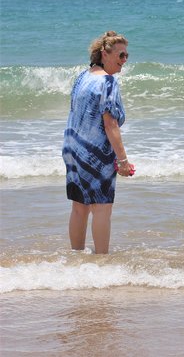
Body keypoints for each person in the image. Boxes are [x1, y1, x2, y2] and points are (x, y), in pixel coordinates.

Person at [63, 31, 134, 254]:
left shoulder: (82, 77)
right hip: (96, 152)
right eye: (121, 55)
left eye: (126, 55)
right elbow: (110, 124)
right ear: (105, 54)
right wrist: (123, 160)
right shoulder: (108, 82)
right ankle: (102, 262)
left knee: (79, 206)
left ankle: (76, 257)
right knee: (102, 208)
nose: (124, 60)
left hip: (73, 148)